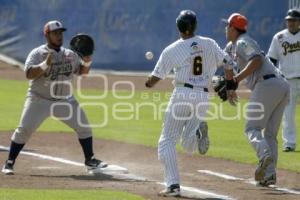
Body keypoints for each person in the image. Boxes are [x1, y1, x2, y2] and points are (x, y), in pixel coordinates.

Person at [145, 10, 236, 197]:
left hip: (182, 94)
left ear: (178, 27)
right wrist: (230, 86)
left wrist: (148, 82)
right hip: (203, 96)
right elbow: (229, 63)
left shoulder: (172, 49)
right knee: (188, 145)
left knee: (166, 141)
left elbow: (154, 78)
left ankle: (173, 185)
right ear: (194, 26)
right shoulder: (209, 43)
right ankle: (197, 131)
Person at [1, 20, 107, 175]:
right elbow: (28, 74)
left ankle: (90, 160)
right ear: (47, 35)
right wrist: (45, 65)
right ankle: (9, 162)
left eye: (61, 33)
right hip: (39, 99)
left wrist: (88, 59)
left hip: (64, 100)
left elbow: (82, 72)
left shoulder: (70, 55)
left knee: (84, 127)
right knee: (23, 130)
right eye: (55, 33)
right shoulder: (37, 54)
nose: (59, 36)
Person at [222, 13, 290, 186]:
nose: (225, 29)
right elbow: (227, 64)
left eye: (227, 26)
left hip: (267, 84)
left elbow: (257, 60)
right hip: (281, 85)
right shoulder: (232, 46)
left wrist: (235, 80)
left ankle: (264, 155)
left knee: (252, 128)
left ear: (232, 28)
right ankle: (269, 175)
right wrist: (230, 87)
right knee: (270, 135)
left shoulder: (243, 41)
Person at [267, 9, 300, 152]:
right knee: (288, 113)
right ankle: (289, 143)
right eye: (289, 20)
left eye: (293, 20)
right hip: (288, 81)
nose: (290, 23)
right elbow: (272, 59)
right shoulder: (279, 37)